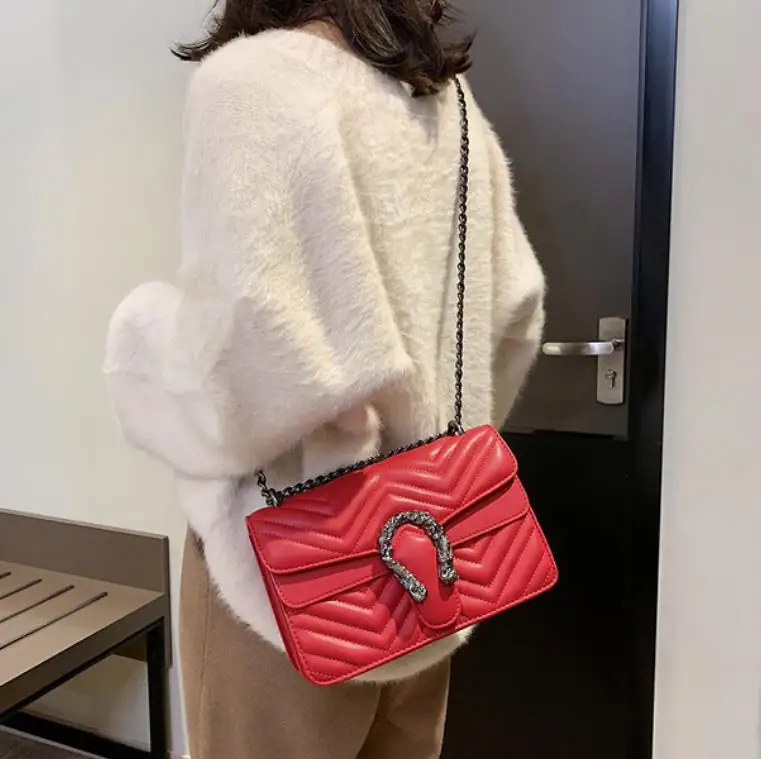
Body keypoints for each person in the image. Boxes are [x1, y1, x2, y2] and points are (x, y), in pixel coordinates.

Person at [103, 1, 545, 757]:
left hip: (286, 586)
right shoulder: (449, 103)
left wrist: (140, 342)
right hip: (428, 577)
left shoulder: (252, 81)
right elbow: (515, 313)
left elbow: (253, 372)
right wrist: (426, 464)